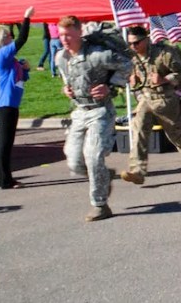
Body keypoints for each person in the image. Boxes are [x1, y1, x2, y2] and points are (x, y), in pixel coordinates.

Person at [56, 16, 132, 222]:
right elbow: (67, 78)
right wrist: (67, 89)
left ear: (79, 32)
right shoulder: (61, 57)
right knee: (74, 161)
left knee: (93, 155)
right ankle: (104, 176)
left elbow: (127, 65)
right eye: (61, 35)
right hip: (80, 111)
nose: (64, 39)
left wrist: (111, 86)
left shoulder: (98, 55)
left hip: (100, 111)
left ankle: (99, 204)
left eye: (69, 35)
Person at [120, 26, 181, 185]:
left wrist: (165, 79)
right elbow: (131, 78)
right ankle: (138, 171)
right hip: (145, 99)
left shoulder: (164, 54)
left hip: (165, 99)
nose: (133, 46)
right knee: (139, 132)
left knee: (176, 135)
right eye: (130, 44)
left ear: (146, 40)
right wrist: (133, 80)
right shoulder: (132, 58)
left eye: (137, 43)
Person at [0, 6, 35, 189]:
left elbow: (19, 78)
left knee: (7, 143)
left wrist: (26, 68)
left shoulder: (8, 59)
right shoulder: (1, 54)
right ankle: (5, 180)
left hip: (10, 103)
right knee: (5, 143)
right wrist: (26, 18)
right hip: (6, 103)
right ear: (1, 40)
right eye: (7, 36)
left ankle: (4, 178)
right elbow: (22, 39)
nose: (11, 37)